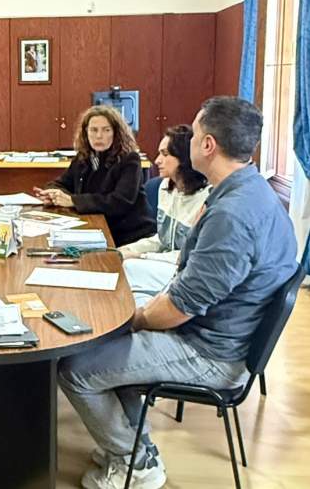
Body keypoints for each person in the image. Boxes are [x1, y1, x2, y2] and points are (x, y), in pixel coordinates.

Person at [57, 96, 297, 489]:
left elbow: (179, 308)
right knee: (104, 344)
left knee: (75, 368)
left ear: (208, 145)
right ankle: (133, 447)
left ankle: (135, 464)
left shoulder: (233, 215)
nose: (189, 142)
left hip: (212, 353)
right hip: (217, 333)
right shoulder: (248, 191)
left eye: (195, 133)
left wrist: (133, 319)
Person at [34, 105, 155, 246]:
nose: (99, 136)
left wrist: (73, 200)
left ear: (116, 133)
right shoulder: (83, 158)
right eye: (93, 130)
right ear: (86, 133)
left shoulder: (129, 159)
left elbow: (119, 202)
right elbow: (60, 183)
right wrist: (54, 195)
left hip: (129, 235)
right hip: (96, 229)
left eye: (106, 130)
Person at [120, 124, 210, 306]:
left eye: (165, 154)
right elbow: (162, 240)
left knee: (129, 268)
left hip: (186, 272)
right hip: (164, 263)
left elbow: (190, 255)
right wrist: (125, 250)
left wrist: (142, 257)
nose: (157, 160)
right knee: (121, 264)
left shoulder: (206, 198)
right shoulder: (165, 187)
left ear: (184, 157)